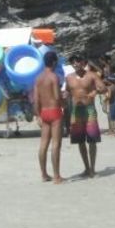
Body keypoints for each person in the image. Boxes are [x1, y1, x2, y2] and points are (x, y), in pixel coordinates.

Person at [66, 54, 106, 178]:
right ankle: (86, 167)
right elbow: (67, 92)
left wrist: (95, 91)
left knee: (92, 140)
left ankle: (93, 169)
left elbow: (103, 88)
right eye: (73, 61)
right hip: (76, 111)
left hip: (89, 109)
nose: (75, 63)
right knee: (80, 141)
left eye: (77, 60)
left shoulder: (91, 75)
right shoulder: (69, 77)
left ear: (83, 62)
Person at [34, 50, 64, 183]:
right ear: (54, 62)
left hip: (44, 112)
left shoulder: (38, 78)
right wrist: (65, 99)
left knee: (43, 144)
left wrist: (38, 115)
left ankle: (44, 174)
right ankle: (56, 176)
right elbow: (57, 97)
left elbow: (36, 99)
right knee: (56, 144)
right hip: (54, 111)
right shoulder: (54, 77)